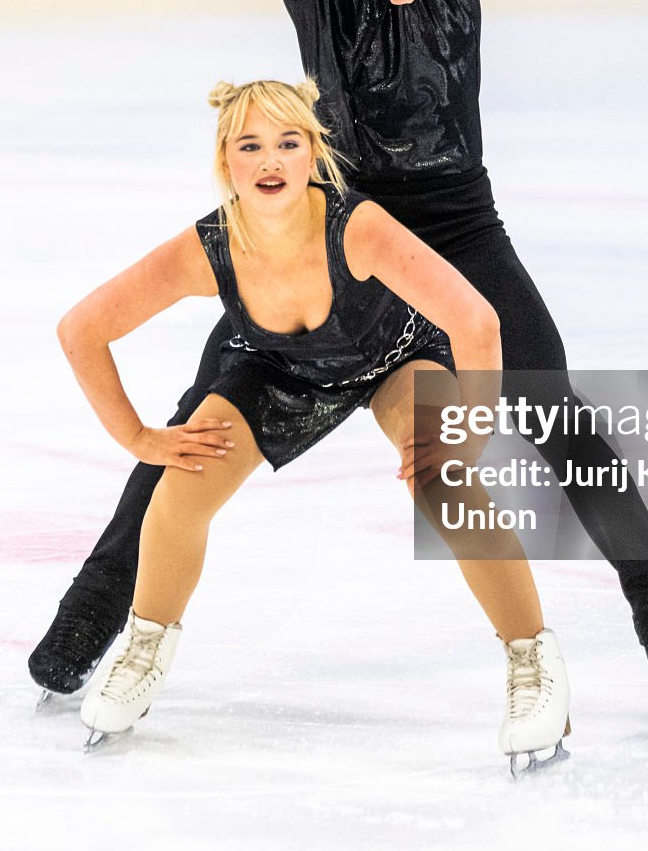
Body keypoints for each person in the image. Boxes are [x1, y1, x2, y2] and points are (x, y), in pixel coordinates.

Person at [32, 0, 648, 721]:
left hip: (451, 217)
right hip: (335, 220)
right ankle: (89, 618)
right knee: (197, 426)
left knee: (552, 409)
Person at [58, 78, 571, 771]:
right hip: (276, 368)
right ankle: (144, 647)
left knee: (443, 484)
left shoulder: (356, 228)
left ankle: (532, 660)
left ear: (312, 152)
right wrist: (140, 439)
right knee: (181, 484)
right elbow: (82, 328)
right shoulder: (210, 246)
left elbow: (475, 320)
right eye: (250, 146)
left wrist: (468, 436)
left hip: (394, 358)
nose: (270, 160)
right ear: (225, 158)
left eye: (288, 143)